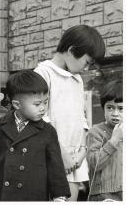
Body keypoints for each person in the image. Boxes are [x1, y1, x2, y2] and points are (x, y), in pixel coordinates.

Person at [34, 24, 105, 201]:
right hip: (51, 157)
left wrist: (82, 151)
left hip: (74, 160)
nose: (87, 69)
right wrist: (62, 154)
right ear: (72, 50)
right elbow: (40, 119)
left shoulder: (78, 80)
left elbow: (81, 118)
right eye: (87, 62)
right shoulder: (43, 73)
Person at [0, 70, 70, 201]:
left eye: (45, 102)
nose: (43, 108)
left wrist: (59, 195)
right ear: (16, 105)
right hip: (3, 192)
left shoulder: (48, 131)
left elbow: (56, 166)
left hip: (33, 193)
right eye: (37, 104)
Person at [86, 79, 123, 201]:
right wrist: (114, 140)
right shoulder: (95, 131)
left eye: (121, 108)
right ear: (103, 108)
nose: (115, 113)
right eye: (110, 108)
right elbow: (95, 165)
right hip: (102, 194)